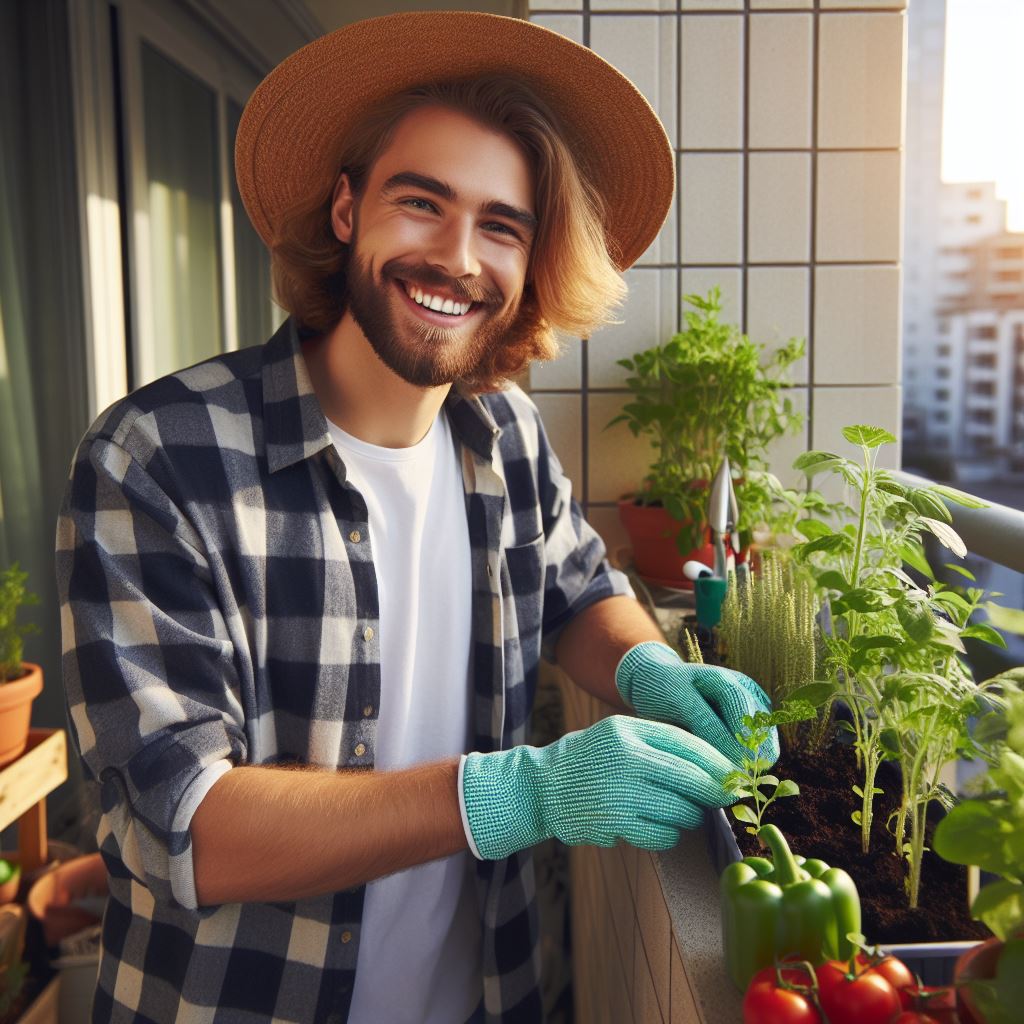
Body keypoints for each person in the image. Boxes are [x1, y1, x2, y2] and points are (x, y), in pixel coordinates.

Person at [56, 12, 777, 1024]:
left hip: (489, 995)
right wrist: (512, 793)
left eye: (501, 225)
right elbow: (185, 824)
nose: (455, 257)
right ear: (347, 208)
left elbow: (576, 589)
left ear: (532, 261)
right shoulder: (159, 456)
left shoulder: (505, 432)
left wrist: (651, 667)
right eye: (420, 203)